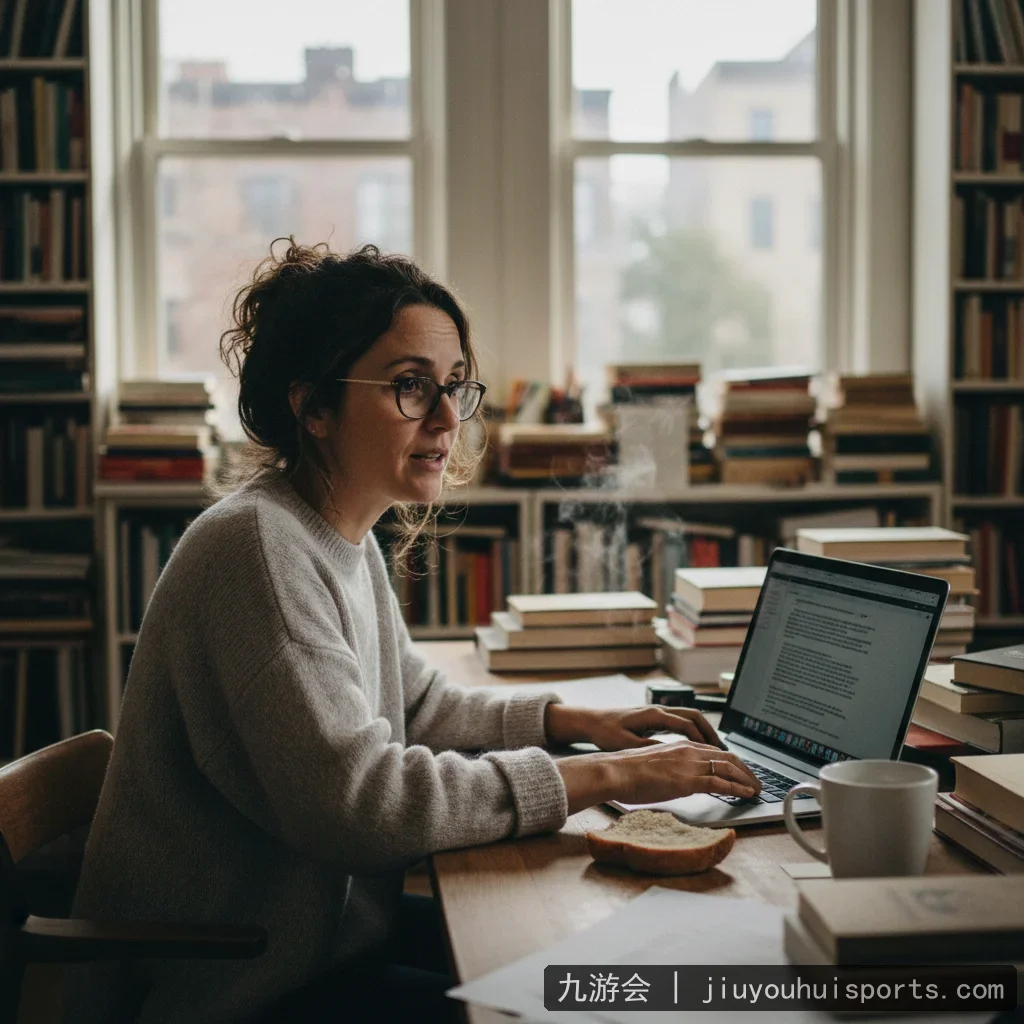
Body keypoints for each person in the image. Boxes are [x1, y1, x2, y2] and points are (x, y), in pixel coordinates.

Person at [67, 241, 761, 1024]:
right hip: (235, 990)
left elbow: (416, 704)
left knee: (603, 962)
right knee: (584, 1000)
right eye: (409, 386)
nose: (446, 419)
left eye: (454, 386)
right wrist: (612, 777)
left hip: (320, 950)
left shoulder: (336, 533)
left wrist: (576, 723)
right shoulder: (258, 551)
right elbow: (365, 807)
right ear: (313, 407)